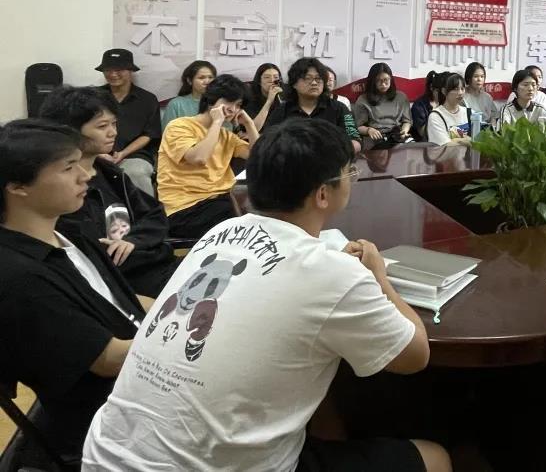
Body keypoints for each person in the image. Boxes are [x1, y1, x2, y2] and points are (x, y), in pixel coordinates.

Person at [83, 119, 451, 472]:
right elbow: (414, 356)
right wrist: (379, 277)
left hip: (105, 455)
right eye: (348, 173)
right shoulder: (335, 272)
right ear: (323, 193)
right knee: (434, 458)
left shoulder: (218, 233)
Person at [0, 120, 145, 464]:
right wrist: (193, 330)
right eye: (69, 168)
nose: (86, 175)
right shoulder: (19, 277)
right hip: (111, 421)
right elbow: (109, 360)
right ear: (17, 186)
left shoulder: (70, 232)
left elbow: (124, 302)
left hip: (142, 379)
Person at [39, 86, 178, 296]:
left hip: (157, 264)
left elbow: (154, 214)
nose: (113, 132)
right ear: (70, 130)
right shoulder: (62, 188)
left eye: (114, 124)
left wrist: (133, 241)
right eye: (102, 126)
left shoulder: (110, 173)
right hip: (126, 282)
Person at [158, 75, 257, 240]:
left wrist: (249, 124)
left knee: (260, 212)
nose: (233, 109)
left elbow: (260, 156)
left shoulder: (226, 135)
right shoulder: (179, 126)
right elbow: (199, 158)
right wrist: (217, 122)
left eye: (238, 105)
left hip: (217, 205)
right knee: (239, 223)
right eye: (229, 101)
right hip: (184, 209)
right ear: (211, 99)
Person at [95, 48, 160, 197]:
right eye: (108, 70)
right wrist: (98, 153)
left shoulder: (147, 99)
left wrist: (123, 153)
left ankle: (145, 211)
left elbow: (150, 134)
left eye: (119, 70)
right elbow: (82, 129)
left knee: (136, 172)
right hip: (97, 153)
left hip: (135, 155)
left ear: (130, 71)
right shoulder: (93, 97)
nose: (113, 74)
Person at [265, 58, 363, 155]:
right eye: (308, 78)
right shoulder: (283, 110)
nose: (314, 83)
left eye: (318, 79)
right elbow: (267, 142)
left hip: (330, 161)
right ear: (294, 83)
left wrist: (336, 153)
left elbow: (355, 140)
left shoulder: (339, 108)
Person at [353, 62, 413, 149]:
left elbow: (407, 121)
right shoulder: (363, 100)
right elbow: (358, 127)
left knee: (415, 150)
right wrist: (368, 130)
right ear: (373, 81)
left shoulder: (401, 97)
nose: (383, 84)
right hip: (376, 137)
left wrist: (404, 131)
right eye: (379, 80)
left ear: (391, 79)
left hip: (397, 135)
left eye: (386, 80)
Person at [161, 60, 217, 128]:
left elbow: (226, 131)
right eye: (201, 78)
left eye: (210, 77)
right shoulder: (176, 104)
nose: (207, 82)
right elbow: (168, 132)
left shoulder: (220, 103)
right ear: (189, 81)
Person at [427, 73, 471, 146]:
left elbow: (478, 141)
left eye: (462, 89)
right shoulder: (436, 116)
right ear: (444, 91)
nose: (460, 93)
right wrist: (464, 141)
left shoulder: (468, 112)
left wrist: (456, 140)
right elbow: (445, 145)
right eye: (456, 89)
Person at [244, 62, 283, 131]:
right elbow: (253, 129)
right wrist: (269, 101)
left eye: (276, 77)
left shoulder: (285, 93)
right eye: (267, 77)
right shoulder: (250, 97)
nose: (272, 81)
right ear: (259, 81)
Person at [464, 61, 499, 126]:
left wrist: (493, 125)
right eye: (475, 76)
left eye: (482, 76)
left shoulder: (487, 97)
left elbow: (494, 115)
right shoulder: (463, 97)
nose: (479, 79)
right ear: (468, 78)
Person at [411, 70, 442, 141]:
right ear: (431, 88)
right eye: (438, 90)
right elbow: (422, 133)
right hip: (426, 141)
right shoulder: (419, 106)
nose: (443, 93)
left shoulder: (445, 102)